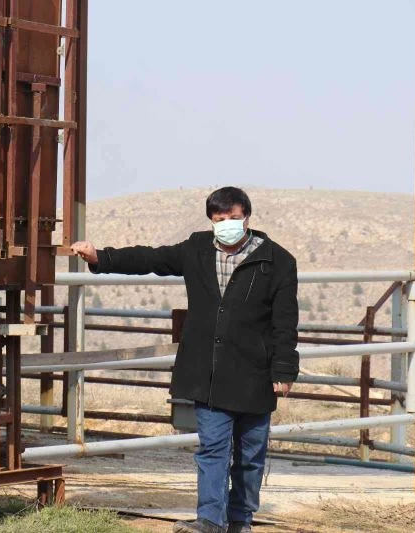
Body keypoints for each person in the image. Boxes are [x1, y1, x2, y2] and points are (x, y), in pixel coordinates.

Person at [71, 187, 299, 533]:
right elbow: (151, 259)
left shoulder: (278, 261)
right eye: (220, 219)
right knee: (212, 449)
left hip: (254, 373)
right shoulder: (196, 249)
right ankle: (210, 519)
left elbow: (285, 321)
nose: (227, 224)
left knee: (250, 456)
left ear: (247, 217)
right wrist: (100, 257)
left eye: (234, 218)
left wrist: (283, 369)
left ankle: (241, 519)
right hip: (208, 372)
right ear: (211, 221)